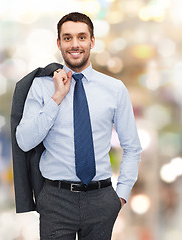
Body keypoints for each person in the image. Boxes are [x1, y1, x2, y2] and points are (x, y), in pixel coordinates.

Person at [16, 12, 142, 240]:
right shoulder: (41, 87)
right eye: (67, 38)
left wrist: (120, 196)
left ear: (92, 41)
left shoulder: (114, 89)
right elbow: (24, 141)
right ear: (59, 43)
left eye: (82, 37)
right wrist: (56, 99)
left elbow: (132, 147)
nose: (75, 44)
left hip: (101, 199)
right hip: (56, 199)